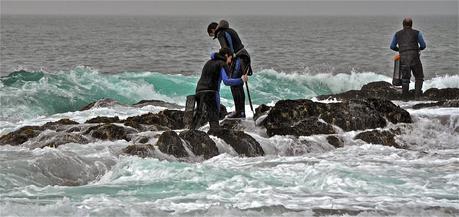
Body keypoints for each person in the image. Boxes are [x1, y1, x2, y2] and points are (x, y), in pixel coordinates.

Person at [191, 47, 248, 130]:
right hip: (211, 93)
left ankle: (190, 135)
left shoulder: (208, 62)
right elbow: (226, 81)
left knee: (198, 116)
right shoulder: (222, 64)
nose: (230, 62)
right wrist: (241, 80)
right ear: (226, 55)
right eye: (230, 58)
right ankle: (215, 137)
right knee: (214, 119)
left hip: (199, 91)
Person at [207, 20, 253, 118]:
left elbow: (225, 49)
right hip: (244, 57)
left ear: (213, 30)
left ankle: (239, 112)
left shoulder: (220, 33)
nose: (214, 36)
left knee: (234, 84)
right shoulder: (230, 30)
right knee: (239, 85)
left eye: (211, 34)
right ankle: (241, 112)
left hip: (239, 59)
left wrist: (221, 57)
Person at [390, 17, 426, 98]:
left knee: (405, 79)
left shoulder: (397, 34)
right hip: (415, 57)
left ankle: (405, 99)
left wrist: (400, 50)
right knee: (419, 77)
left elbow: (392, 46)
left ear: (403, 25)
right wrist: (418, 49)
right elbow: (423, 45)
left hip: (403, 58)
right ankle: (417, 97)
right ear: (411, 24)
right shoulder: (417, 33)